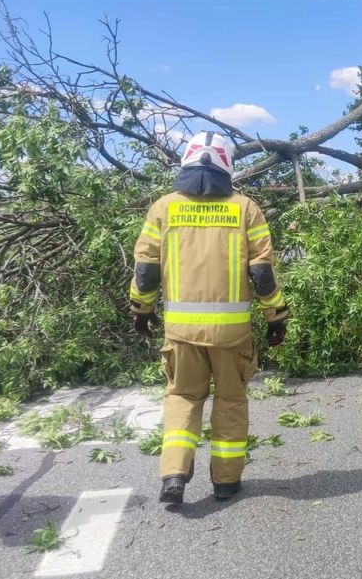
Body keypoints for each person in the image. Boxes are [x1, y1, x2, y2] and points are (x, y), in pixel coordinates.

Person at [129, 132, 290, 504]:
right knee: (231, 402)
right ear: (227, 164)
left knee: (183, 397)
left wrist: (142, 310)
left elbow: (146, 270)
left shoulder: (163, 208)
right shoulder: (245, 208)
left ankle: (173, 474)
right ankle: (227, 482)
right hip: (232, 335)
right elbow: (262, 273)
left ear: (186, 161)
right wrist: (276, 316)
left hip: (182, 332)